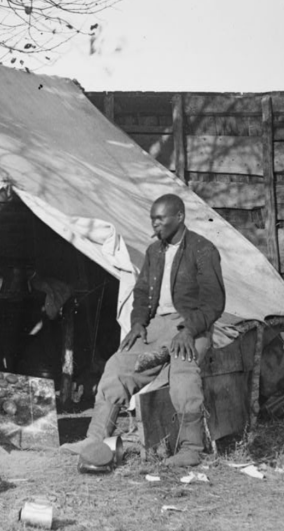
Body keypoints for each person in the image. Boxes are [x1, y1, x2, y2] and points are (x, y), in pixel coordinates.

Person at [61, 193, 225, 467]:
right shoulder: (154, 252)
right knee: (118, 365)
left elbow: (214, 302)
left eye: (161, 218)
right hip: (157, 327)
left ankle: (191, 448)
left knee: (183, 372)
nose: (155, 224)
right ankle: (96, 437)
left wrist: (189, 331)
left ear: (180, 216)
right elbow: (141, 294)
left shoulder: (203, 250)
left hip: (191, 326)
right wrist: (138, 322)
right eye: (153, 219)